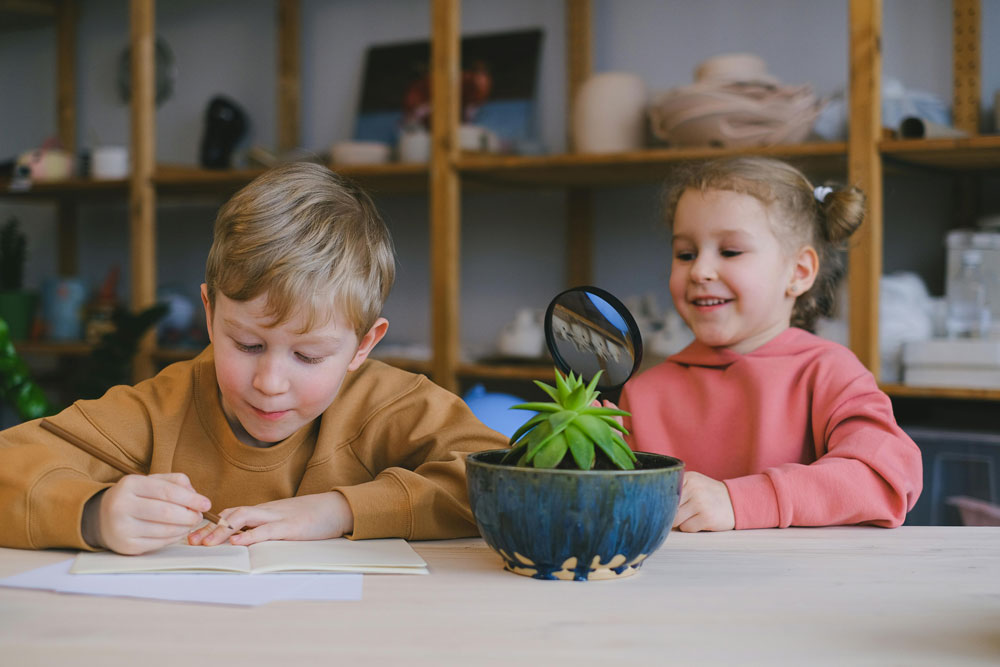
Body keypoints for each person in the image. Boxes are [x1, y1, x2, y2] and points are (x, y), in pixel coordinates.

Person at [0, 162, 507, 555]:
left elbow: (502, 477)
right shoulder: (161, 409)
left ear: (364, 346)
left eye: (308, 356)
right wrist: (94, 513)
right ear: (210, 312)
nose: (269, 382)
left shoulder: (389, 403)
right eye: (247, 345)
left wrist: (339, 510)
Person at [619, 157, 922, 533]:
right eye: (686, 254)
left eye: (730, 251)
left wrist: (741, 501)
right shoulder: (643, 391)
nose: (699, 271)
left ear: (799, 272)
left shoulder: (829, 372)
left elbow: (886, 477)